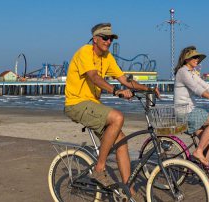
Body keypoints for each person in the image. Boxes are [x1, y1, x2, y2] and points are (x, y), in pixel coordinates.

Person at [64, 22, 159, 201]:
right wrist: (115, 91)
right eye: (105, 38)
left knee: (121, 141)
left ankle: (127, 191)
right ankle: (100, 169)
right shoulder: (85, 52)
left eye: (111, 38)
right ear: (95, 39)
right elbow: (93, 76)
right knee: (117, 117)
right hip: (76, 103)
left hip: (92, 105)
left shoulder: (107, 57)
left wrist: (149, 89)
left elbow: (124, 80)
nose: (108, 41)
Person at [173, 46, 209, 186]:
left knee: (206, 141)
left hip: (189, 111)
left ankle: (206, 175)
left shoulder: (191, 72)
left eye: (198, 58)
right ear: (187, 59)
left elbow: (204, 85)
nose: (197, 60)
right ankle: (198, 151)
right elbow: (197, 89)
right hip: (184, 112)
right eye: (195, 57)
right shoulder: (183, 72)